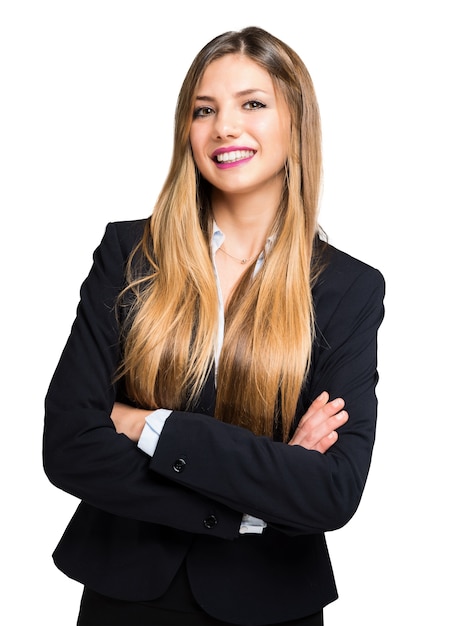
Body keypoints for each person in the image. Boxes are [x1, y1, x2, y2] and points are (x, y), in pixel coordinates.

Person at [43, 26, 385, 626]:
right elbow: (69, 446)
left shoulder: (347, 289)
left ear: (295, 122)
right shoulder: (129, 253)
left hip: (272, 603)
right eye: (205, 110)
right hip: (126, 598)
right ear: (188, 130)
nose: (225, 126)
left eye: (252, 103)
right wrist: (257, 493)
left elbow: (330, 490)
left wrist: (151, 426)